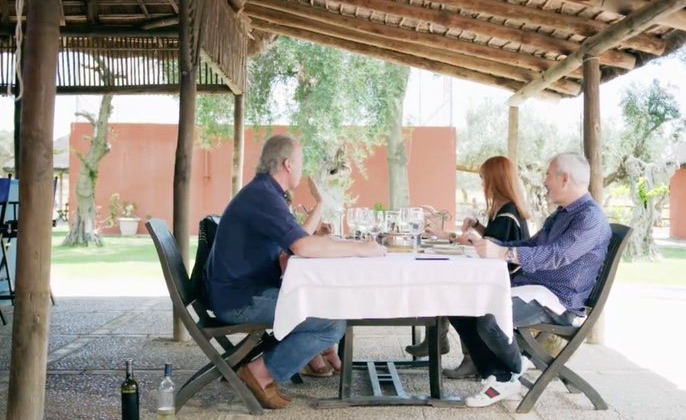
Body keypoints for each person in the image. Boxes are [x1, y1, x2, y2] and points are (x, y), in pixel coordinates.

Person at [205, 134, 386, 409]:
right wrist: (360, 247)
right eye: (301, 162)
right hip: (240, 301)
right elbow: (302, 245)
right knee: (331, 322)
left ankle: (275, 368)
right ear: (288, 164)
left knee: (325, 306)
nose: (302, 169)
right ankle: (259, 372)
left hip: (239, 292)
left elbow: (298, 239)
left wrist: (321, 210)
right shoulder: (263, 196)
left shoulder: (265, 193)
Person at [457, 152, 612, 408]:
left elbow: (557, 255)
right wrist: (492, 244)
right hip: (535, 289)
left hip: (558, 300)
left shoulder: (590, 218)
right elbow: (531, 244)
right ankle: (497, 372)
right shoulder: (562, 214)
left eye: (548, 175)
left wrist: (504, 253)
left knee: (490, 316)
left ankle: (509, 375)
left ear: (564, 179)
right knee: (464, 307)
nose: (544, 181)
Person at [405, 156, 531, 380]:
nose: (482, 184)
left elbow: (487, 252)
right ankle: (448, 344)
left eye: (484, 179)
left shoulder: (508, 214)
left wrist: (448, 236)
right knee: (448, 285)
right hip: (496, 279)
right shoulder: (506, 210)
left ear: (496, 181)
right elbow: (495, 242)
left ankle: (476, 359)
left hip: (502, 284)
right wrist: (478, 227)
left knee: (454, 294)